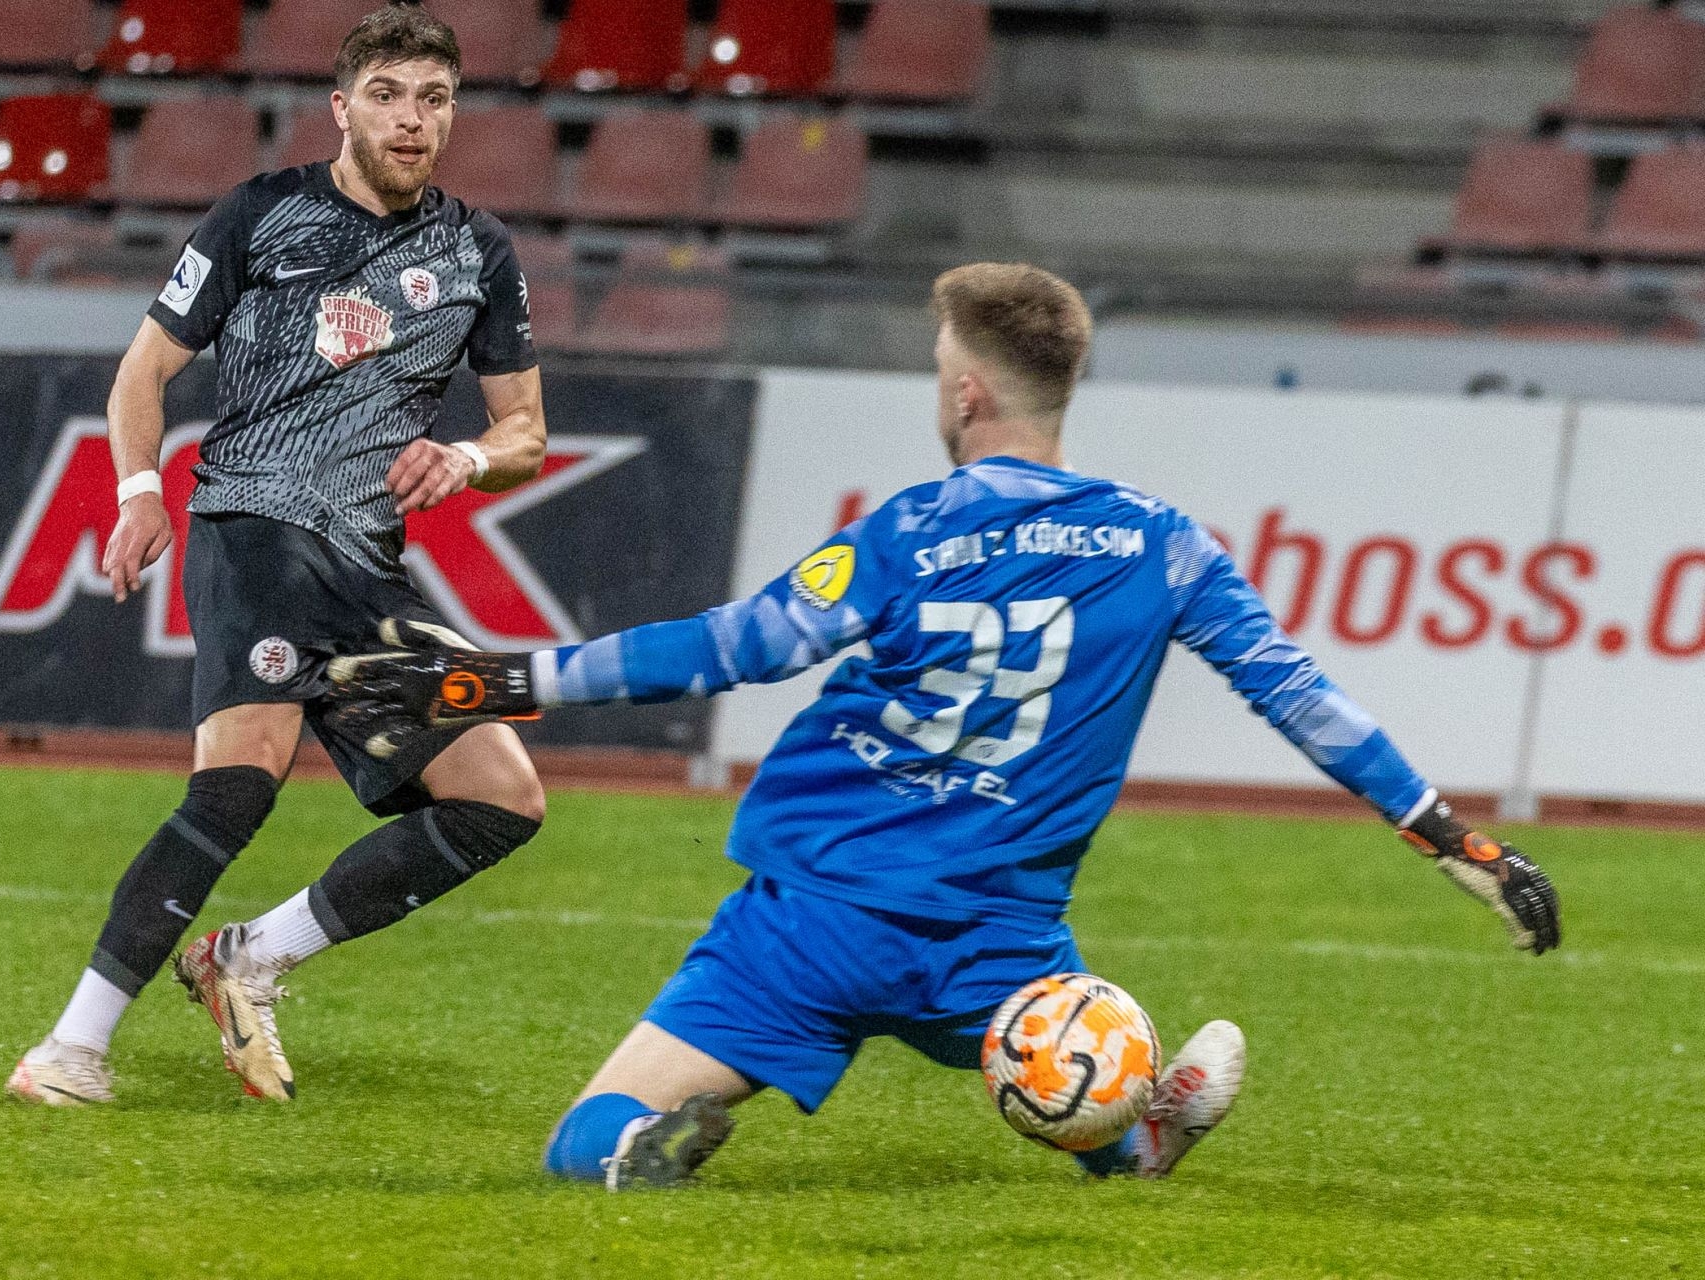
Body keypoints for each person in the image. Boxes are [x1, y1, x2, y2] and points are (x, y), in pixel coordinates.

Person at [327, 263, 1562, 1188]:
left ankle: (635, 1147)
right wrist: (1457, 840)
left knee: (579, 1137)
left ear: (967, 390)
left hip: (814, 919)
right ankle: (1137, 1128)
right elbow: (1300, 696)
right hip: (1000, 944)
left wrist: (485, 682)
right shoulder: (1163, 543)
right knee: (1087, 1103)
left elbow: (731, 648)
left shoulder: (908, 532)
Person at [7, 2, 551, 1106]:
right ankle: (69, 1049)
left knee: (503, 796)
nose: (412, 120)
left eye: (434, 99)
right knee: (239, 783)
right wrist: (139, 492)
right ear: (342, 107)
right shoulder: (261, 214)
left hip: (367, 567)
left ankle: (250, 957)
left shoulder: (478, 250)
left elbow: (525, 433)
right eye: (388, 96)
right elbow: (143, 372)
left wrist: (467, 458)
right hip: (254, 528)